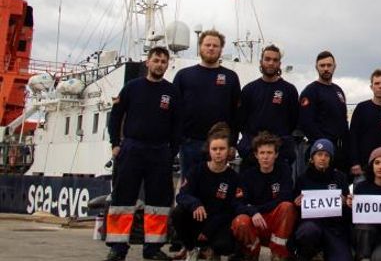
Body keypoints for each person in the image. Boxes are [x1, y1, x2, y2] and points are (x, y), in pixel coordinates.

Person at [105, 46, 179, 261]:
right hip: (132, 148)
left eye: (164, 61)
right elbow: (116, 116)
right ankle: (118, 248)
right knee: (122, 200)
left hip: (159, 152)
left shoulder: (171, 92)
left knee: (158, 202)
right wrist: (115, 144)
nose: (159, 64)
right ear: (148, 62)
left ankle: (153, 248)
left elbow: (177, 124)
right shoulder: (131, 88)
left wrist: (172, 151)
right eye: (156, 60)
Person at [173, 29, 242, 178]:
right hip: (190, 143)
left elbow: (236, 115)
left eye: (215, 45)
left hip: (220, 145)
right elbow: (175, 111)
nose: (211, 48)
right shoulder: (183, 76)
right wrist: (179, 139)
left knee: (216, 188)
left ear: (221, 49)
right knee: (189, 187)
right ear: (200, 47)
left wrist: (232, 143)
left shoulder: (231, 77)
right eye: (207, 44)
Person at [172, 123, 240, 261]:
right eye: (214, 149)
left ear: (228, 151)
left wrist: (209, 230)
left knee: (225, 246)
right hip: (197, 218)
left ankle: (211, 250)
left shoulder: (233, 177)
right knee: (177, 212)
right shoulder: (197, 171)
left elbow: (230, 210)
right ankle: (191, 249)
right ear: (209, 150)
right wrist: (195, 204)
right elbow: (182, 196)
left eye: (222, 148)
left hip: (218, 223)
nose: (218, 152)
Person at [231, 132, 295, 261]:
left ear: (276, 154)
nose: (265, 157)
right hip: (255, 222)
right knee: (240, 221)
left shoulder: (284, 171)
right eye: (262, 153)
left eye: (269, 153)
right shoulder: (247, 175)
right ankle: (251, 253)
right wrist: (252, 212)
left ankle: (278, 254)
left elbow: (286, 197)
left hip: (274, 221)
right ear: (256, 155)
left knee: (287, 207)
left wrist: (256, 209)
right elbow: (237, 203)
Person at [237, 45, 299, 170]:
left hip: (280, 154)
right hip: (253, 155)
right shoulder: (249, 90)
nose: (271, 63)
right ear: (261, 62)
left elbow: (293, 121)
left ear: (279, 64)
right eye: (267, 59)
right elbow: (241, 121)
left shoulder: (289, 90)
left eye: (275, 60)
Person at [292, 139, 352, 261]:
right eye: (319, 154)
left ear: (331, 159)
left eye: (326, 155)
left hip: (334, 229)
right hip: (311, 226)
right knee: (307, 231)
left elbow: (347, 214)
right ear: (312, 157)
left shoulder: (340, 178)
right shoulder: (302, 179)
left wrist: (346, 203)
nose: (323, 158)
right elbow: (296, 214)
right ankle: (308, 253)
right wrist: (297, 205)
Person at [299, 51, 351, 175]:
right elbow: (306, 123)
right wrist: (324, 145)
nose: (326, 69)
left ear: (334, 66)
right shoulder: (310, 91)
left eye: (329, 65)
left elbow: (343, 122)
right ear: (316, 67)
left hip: (338, 151)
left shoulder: (338, 91)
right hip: (320, 151)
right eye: (322, 66)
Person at [348, 147, 381, 261]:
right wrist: (350, 207)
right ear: (371, 165)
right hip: (364, 236)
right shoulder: (361, 187)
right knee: (364, 228)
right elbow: (353, 221)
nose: (380, 166)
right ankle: (363, 257)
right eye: (377, 162)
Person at [349, 69, 381, 181]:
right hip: (363, 168)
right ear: (371, 86)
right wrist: (355, 162)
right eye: (377, 83)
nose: (380, 86)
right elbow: (352, 137)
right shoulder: (362, 108)